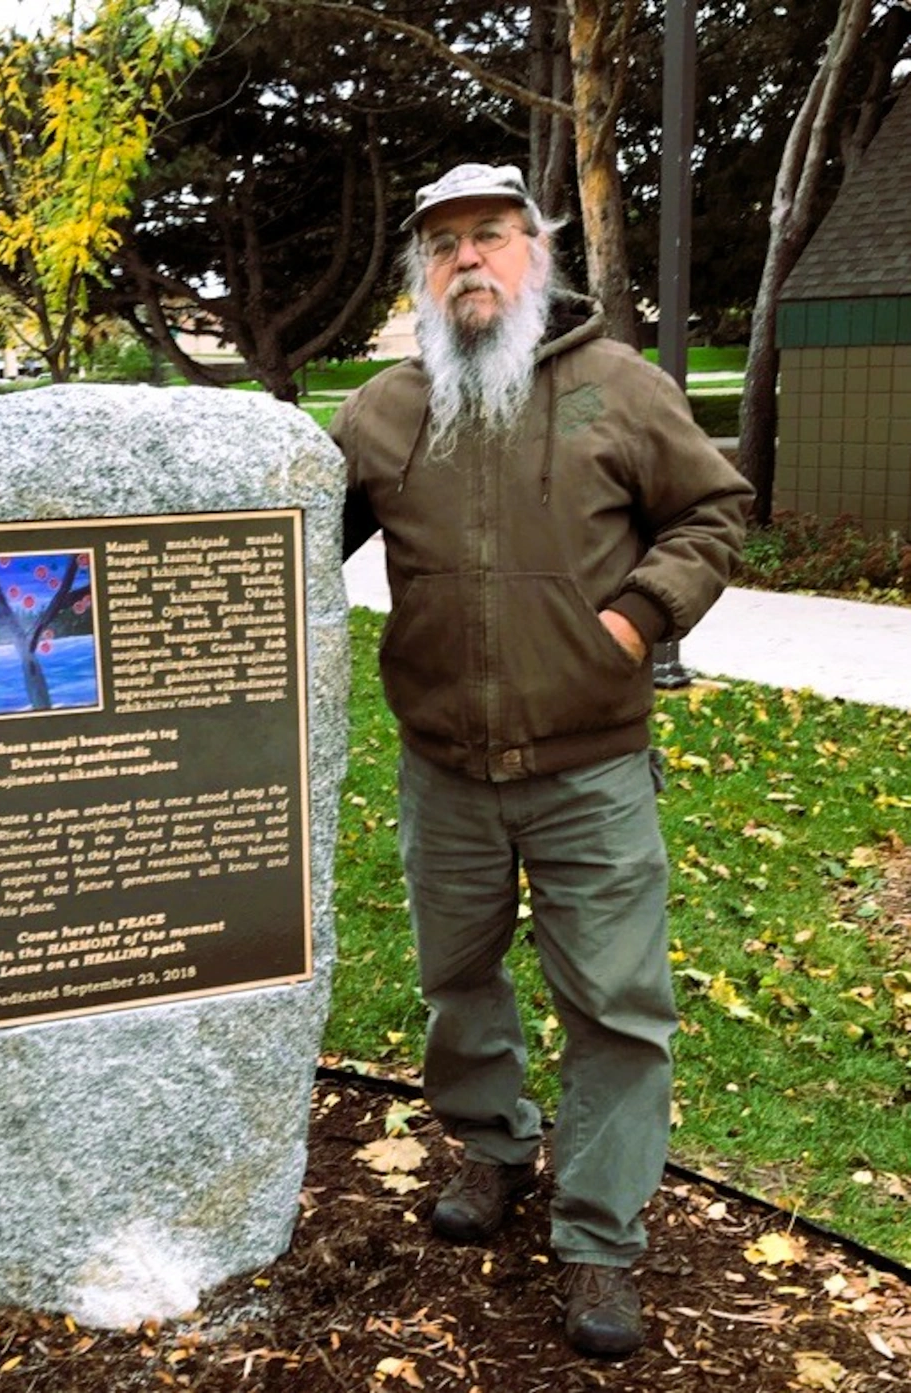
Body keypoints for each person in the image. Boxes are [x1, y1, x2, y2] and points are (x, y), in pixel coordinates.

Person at [331, 162, 754, 1358]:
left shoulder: (617, 386)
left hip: (589, 771)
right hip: (443, 771)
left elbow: (712, 510)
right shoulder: (381, 412)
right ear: (421, 273)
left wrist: (631, 619)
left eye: (490, 235)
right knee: (456, 978)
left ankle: (599, 1236)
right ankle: (490, 1144)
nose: (467, 258)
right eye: (442, 244)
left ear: (537, 251)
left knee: (616, 1009)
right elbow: (291, 543)